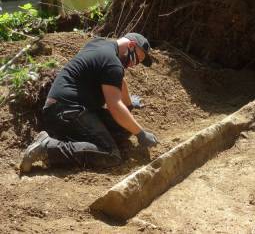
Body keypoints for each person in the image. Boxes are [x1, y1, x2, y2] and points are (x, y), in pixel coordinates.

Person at [20, 33, 158, 173]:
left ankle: (77, 141)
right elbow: (114, 106)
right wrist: (141, 134)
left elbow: (119, 81)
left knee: (123, 128)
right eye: (137, 59)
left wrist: (129, 105)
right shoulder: (112, 63)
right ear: (131, 46)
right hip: (66, 112)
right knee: (111, 154)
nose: (134, 64)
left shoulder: (100, 44)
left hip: (67, 108)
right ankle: (47, 148)